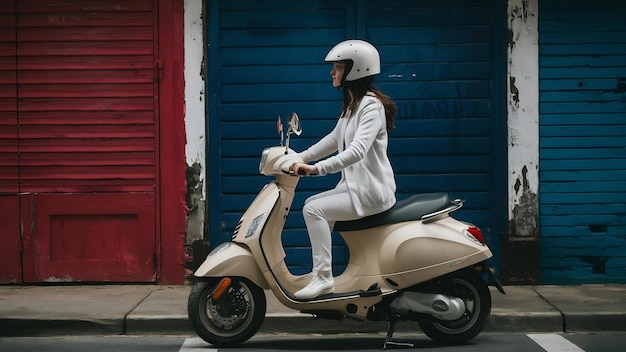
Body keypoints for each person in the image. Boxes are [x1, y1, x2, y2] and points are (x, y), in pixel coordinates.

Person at [291, 39, 398, 299]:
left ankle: (323, 277)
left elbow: (357, 151)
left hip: (371, 192)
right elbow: (332, 139)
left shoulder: (371, 106)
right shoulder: (354, 105)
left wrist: (315, 170)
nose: (332, 72)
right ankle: (321, 270)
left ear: (355, 71)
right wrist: (295, 157)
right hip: (354, 188)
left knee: (313, 208)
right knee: (314, 204)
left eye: (338, 68)